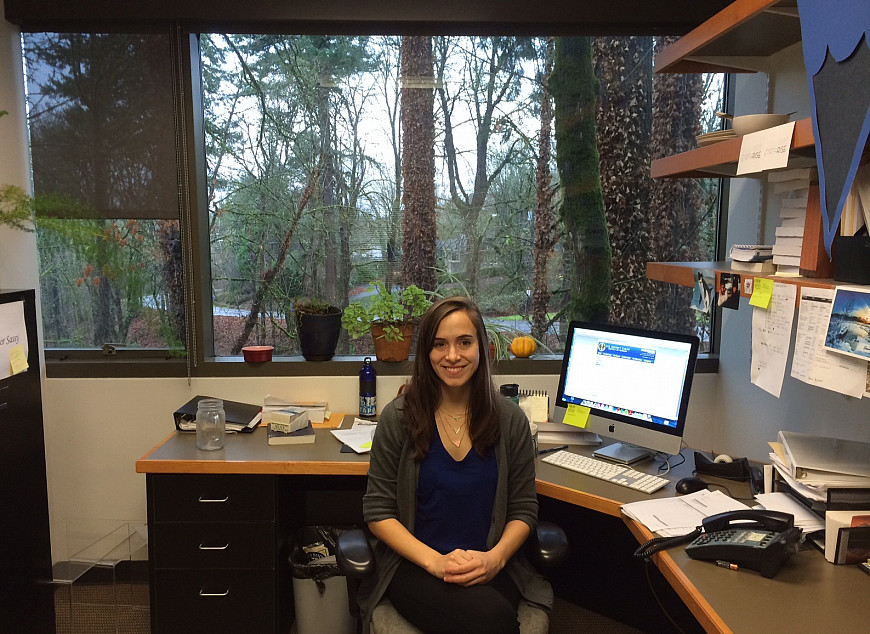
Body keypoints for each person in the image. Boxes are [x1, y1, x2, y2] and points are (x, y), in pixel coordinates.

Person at [359, 296, 552, 634]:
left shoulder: (510, 420)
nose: (452, 356)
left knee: (486, 616)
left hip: (491, 565)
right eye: (439, 344)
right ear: (426, 353)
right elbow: (378, 512)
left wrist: (495, 559)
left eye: (464, 342)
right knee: (493, 621)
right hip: (417, 567)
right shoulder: (399, 417)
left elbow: (524, 509)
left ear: (482, 348)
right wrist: (436, 562)